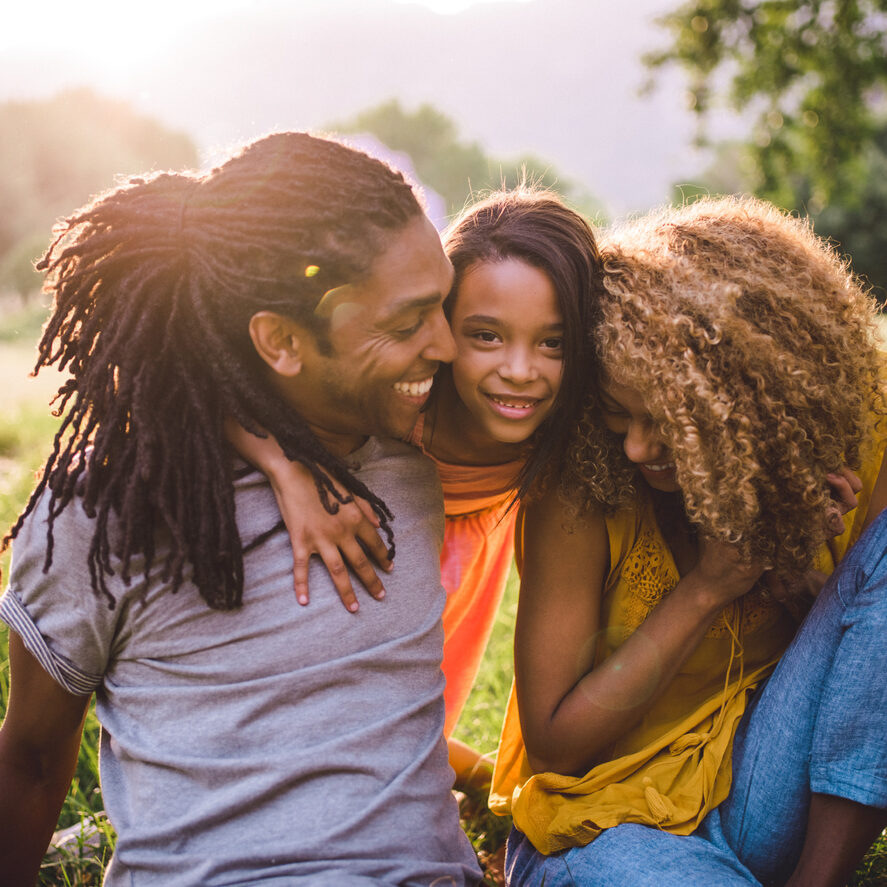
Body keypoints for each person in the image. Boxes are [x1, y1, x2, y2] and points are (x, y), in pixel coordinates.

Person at [0, 132, 485, 886]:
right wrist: (277, 452)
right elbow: (30, 756)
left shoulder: (415, 449)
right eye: (408, 320)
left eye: (443, 305)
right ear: (281, 340)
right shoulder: (104, 510)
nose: (448, 346)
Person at [489, 196, 887, 886]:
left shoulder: (850, 445)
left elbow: (863, 672)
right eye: (617, 414)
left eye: (668, 422)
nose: (637, 445)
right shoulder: (579, 486)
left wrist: (801, 577)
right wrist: (708, 586)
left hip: (757, 792)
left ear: (753, 401)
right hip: (603, 825)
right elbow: (554, 747)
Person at [227, 187, 604, 785]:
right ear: (441, 327)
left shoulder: (568, 431)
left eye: (552, 342)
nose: (520, 370)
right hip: (366, 525)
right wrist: (286, 466)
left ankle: (447, 767)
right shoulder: (396, 402)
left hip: (468, 543)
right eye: (486, 335)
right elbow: (214, 377)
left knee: (415, 704)